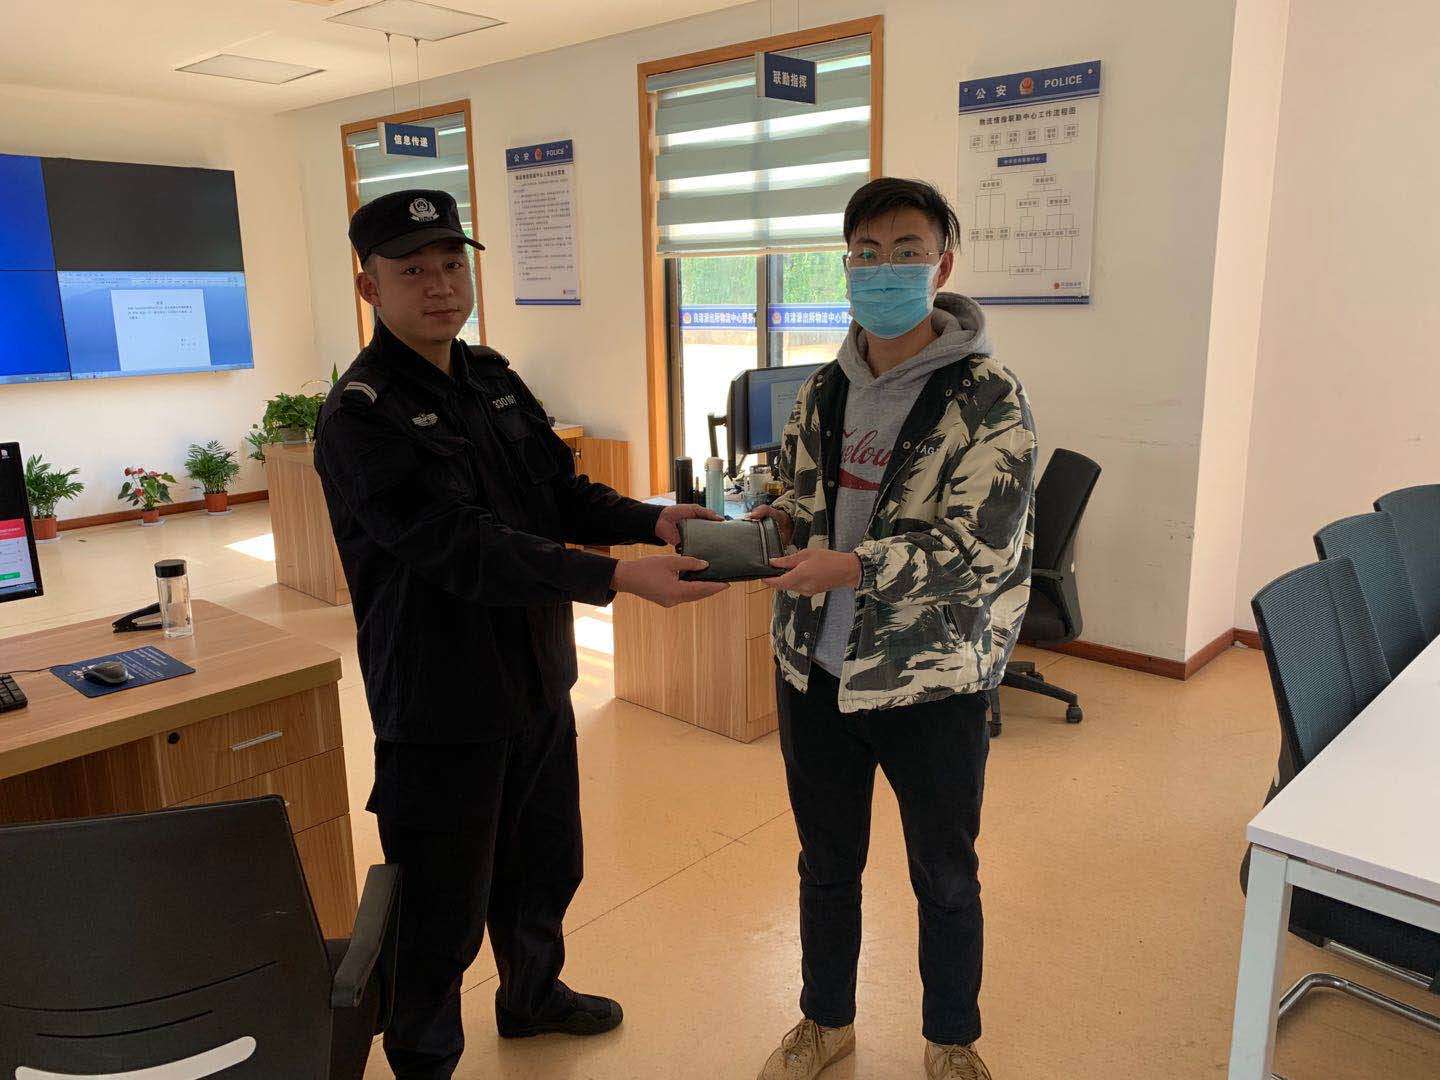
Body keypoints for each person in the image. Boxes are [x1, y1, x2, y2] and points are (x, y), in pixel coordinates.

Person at [313, 188, 726, 1079]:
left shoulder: (492, 377)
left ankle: (532, 997)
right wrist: (614, 577)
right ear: (369, 286)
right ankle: (424, 1056)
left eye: (451, 264)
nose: (439, 285)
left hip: (536, 677)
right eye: (412, 270)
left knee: (544, 864)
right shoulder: (360, 414)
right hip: (440, 699)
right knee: (440, 903)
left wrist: (651, 520)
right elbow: (456, 546)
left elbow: (558, 494)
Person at [749, 177, 1037, 1080]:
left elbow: (979, 549)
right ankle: (825, 1021)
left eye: (905, 251)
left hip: (931, 679)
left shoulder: (987, 397)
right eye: (866, 253)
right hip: (816, 671)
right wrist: (764, 524)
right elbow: (795, 494)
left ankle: (951, 1041)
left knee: (944, 876)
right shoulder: (823, 390)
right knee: (826, 864)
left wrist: (851, 567)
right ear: (846, 266)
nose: (884, 269)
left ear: (941, 266)